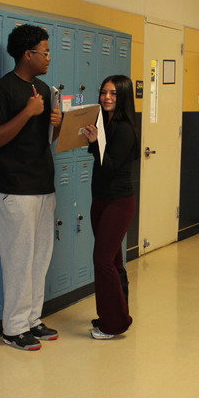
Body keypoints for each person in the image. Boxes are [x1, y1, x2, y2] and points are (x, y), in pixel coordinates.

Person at [0, 24, 63, 351]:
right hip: (13, 188)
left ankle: (32, 318)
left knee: (40, 256)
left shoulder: (44, 89)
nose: (48, 58)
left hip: (43, 183)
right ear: (27, 54)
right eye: (44, 52)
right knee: (18, 258)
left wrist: (57, 126)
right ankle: (13, 327)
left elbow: (47, 140)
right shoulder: (2, 91)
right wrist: (27, 113)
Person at [81, 75, 140, 339]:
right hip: (101, 200)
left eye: (114, 94)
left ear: (124, 97)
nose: (106, 97)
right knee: (114, 261)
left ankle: (115, 323)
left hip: (118, 201)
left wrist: (95, 144)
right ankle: (113, 314)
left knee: (102, 260)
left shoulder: (125, 127)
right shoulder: (103, 122)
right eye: (104, 92)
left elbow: (111, 166)